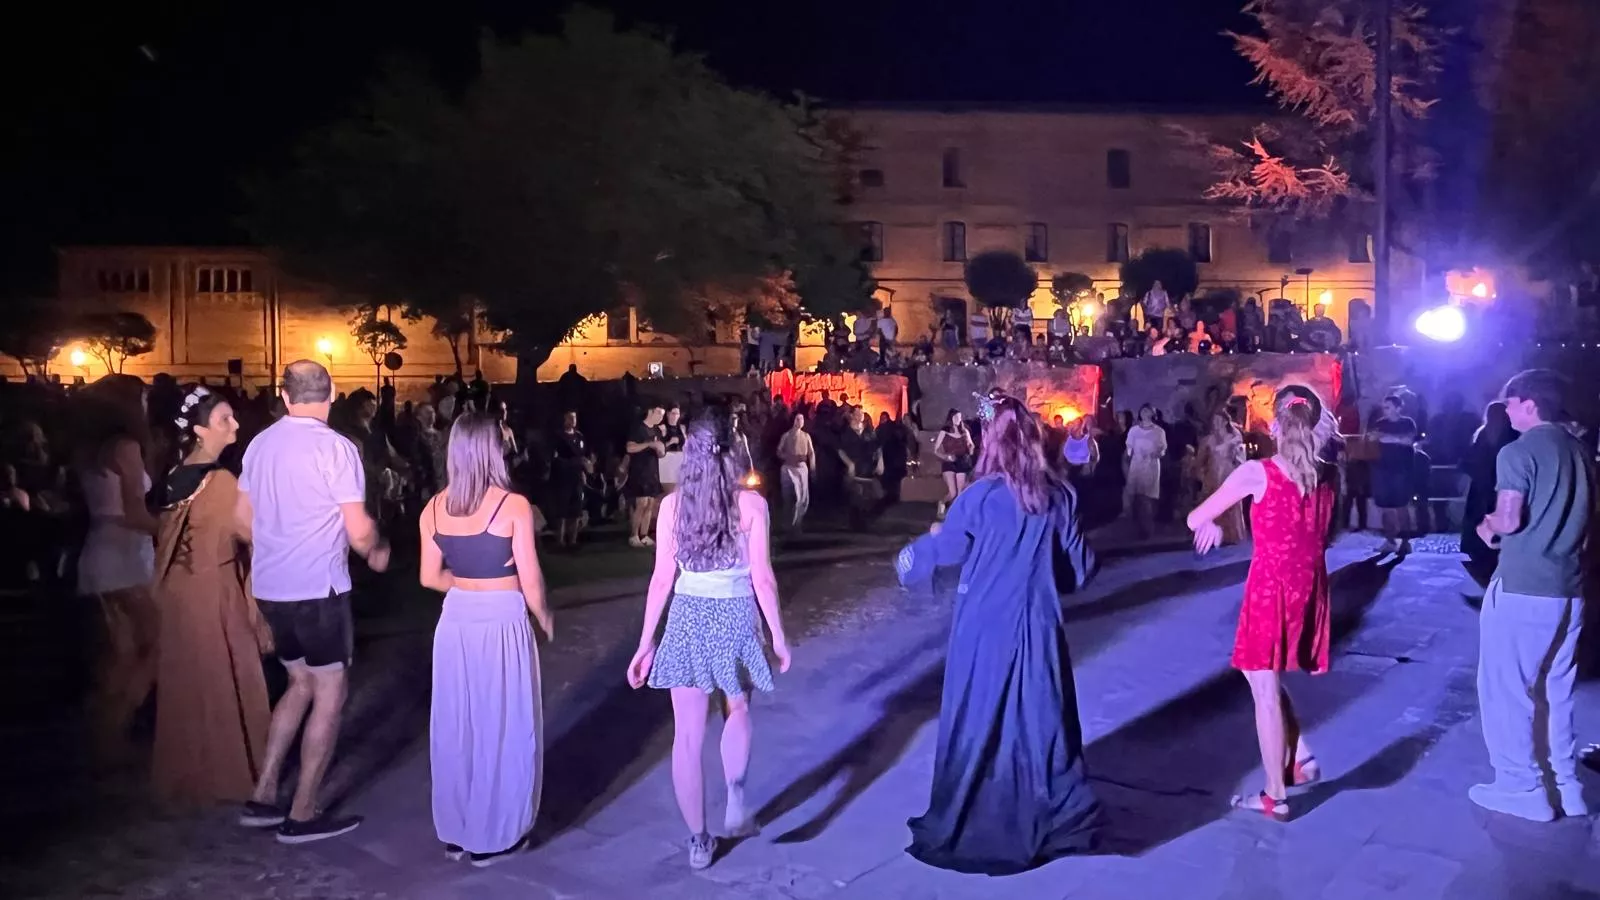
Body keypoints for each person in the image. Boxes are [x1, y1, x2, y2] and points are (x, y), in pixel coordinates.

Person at [894, 395, 1101, 873]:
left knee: (981, 714)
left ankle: (977, 807)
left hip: (984, 626)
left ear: (991, 441)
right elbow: (1079, 568)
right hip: (1037, 622)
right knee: (1039, 715)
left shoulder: (980, 497)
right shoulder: (1059, 496)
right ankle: (1048, 807)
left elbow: (946, 551)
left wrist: (914, 554)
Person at [626, 410, 792, 870]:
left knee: (686, 736)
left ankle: (699, 841)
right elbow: (763, 578)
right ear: (732, 449)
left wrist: (645, 642)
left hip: (688, 618)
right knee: (737, 709)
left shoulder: (672, 507)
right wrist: (778, 636)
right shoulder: (751, 506)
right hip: (735, 614)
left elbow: (662, 579)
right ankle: (735, 797)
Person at [236, 360, 391, 843]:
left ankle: (263, 794)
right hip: (318, 588)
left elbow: (240, 520)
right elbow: (358, 529)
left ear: (285, 396)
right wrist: (377, 548)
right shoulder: (336, 448)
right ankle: (302, 812)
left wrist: (277, 542)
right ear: (333, 392)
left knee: (299, 681)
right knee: (329, 691)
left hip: (272, 586)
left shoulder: (260, 444)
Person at [1187, 385, 1333, 821]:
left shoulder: (1259, 472)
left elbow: (1195, 517)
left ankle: (1275, 795)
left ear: (1274, 425)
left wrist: (1211, 525)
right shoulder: (1326, 475)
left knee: (1264, 690)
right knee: (1262, 675)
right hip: (1309, 586)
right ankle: (1301, 756)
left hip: (1271, 588)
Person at [421, 413, 553, 866]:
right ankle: (495, 833)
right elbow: (531, 580)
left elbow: (428, 576)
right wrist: (545, 617)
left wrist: (466, 585)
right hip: (501, 619)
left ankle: (457, 829)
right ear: (494, 449)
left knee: (458, 723)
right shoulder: (512, 506)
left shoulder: (433, 508)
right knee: (504, 722)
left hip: (456, 620)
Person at [1470, 369, 1590, 822]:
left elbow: (1510, 518)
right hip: (1569, 589)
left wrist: (1486, 525)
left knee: (1505, 690)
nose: (1506, 410)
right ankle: (1566, 786)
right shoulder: (1579, 451)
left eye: (1510, 402)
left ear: (1529, 404)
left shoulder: (1517, 452)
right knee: (1556, 691)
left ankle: (1519, 787)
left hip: (1523, 586)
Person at [151, 386, 272, 809]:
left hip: (179, 590)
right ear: (201, 430)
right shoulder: (220, 482)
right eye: (224, 419)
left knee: (189, 681)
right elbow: (254, 534)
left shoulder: (174, 474)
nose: (235, 424)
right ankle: (229, 775)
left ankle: (189, 773)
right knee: (225, 679)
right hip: (214, 588)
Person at [74, 375, 160, 765]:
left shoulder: (89, 448)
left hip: (99, 550)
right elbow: (134, 514)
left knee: (121, 655)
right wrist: (176, 527)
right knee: (157, 645)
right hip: (125, 554)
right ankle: (113, 731)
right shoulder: (126, 447)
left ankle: (103, 740)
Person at [1459, 401, 1517, 584]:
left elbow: (1469, 460)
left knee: (1479, 519)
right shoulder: (1512, 435)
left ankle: (1479, 556)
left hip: (1481, 486)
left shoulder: (1482, 434)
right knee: (1499, 519)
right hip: (1502, 485)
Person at [1367, 395, 1419, 556]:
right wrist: (1392, 439)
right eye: (1384, 407)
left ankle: (1405, 542)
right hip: (1382, 469)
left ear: (1398, 408)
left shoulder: (1407, 422)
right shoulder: (1380, 423)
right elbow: (1372, 437)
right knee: (1385, 507)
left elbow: (1409, 440)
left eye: (1388, 407)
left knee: (1401, 506)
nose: (1385, 410)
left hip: (1401, 470)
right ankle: (1390, 541)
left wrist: (1388, 438)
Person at [1198, 412, 1248, 545]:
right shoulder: (1208, 440)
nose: (1216, 423)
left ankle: (1231, 535)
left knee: (1230, 504)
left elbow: (1241, 457)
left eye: (1219, 420)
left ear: (1226, 421)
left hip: (1228, 472)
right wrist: (1202, 473)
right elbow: (1201, 459)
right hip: (1213, 474)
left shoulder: (1234, 438)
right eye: (1214, 420)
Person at [624, 406, 667, 548]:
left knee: (650, 503)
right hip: (639, 470)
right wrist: (649, 444)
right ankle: (634, 535)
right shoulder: (638, 428)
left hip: (652, 470)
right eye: (659, 413)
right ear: (650, 411)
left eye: (662, 415)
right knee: (641, 503)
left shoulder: (657, 430)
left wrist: (660, 449)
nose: (661, 417)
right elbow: (630, 448)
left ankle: (644, 535)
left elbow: (661, 452)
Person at [1125, 405, 1167, 537]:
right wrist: (1129, 458)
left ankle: (1147, 528)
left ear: (1152, 414)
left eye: (1147, 410)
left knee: (1147, 497)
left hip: (1151, 466)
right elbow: (1129, 448)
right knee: (1136, 497)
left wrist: (1155, 454)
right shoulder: (1134, 430)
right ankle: (1138, 526)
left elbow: (1162, 449)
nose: (1144, 412)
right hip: (1136, 465)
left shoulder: (1158, 431)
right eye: (1143, 410)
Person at [549, 411, 588, 549]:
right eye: (570, 418)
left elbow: (582, 455)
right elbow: (554, 457)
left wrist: (584, 470)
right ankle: (560, 540)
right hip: (563, 477)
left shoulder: (579, 436)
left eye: (574, 417)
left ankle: (573, 540)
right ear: (564, 419)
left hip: (576, 477)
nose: (573, 420)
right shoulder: (558, 436)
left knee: (576, 509)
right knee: (562, 509)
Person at [777, 411, 815, 529]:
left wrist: (813, 468)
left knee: (802, 497)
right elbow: (779, 451)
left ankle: (798, 523)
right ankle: (788, 523)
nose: (800, 421)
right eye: (798, 419)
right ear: (793, 420)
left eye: (802, 419)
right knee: (789, 496)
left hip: (801, 469)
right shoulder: (786, 435)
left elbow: (811, 453)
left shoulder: (806, 436)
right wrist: (788, 457)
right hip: (789, 468)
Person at [933, 409, 974, 519]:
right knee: (953, 492)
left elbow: (971, 446)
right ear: (950, 418)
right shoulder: (945, 431)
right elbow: (936, 450)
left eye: (959, 417)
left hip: (962, 461)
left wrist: (970, 448)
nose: (958, 419)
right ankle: (942, 503)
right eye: (956, 417)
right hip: (949, 462)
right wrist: (945, 457)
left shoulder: (964, 431)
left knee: (960, 492)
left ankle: (956, 515)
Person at [659, 405, 686, 491]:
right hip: (667, 461)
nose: (675, 416)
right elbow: (659, 447)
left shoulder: (682, 428)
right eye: (673, 413)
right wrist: (670, 442)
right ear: (668, 414)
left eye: (677, 414)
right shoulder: (663, 428)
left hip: (680, 460)